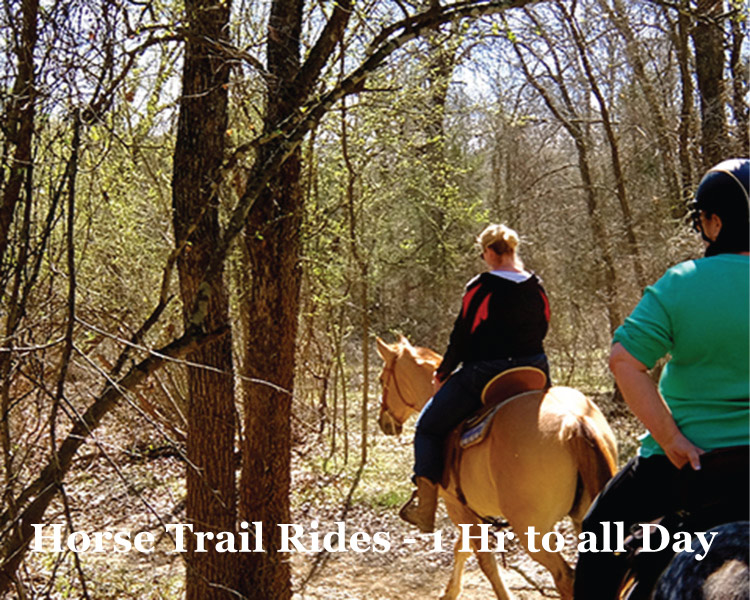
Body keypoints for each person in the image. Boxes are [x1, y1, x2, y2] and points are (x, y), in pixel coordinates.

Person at [573, 158, 750, 599]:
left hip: (690, 468)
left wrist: (671, 440)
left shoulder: (680, 283)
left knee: (600, 531)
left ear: (713, 222)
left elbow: (624, 361)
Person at [399, 223, 551, 533]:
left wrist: (443, 373)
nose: (484, 258)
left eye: (484, 253)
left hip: (486, 373)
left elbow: (462, 334)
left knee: (427, 427)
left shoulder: (481, 287)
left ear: (492, 253)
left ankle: (425, 509)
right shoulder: (537, 286)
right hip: (535, 370)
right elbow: (544, 324)